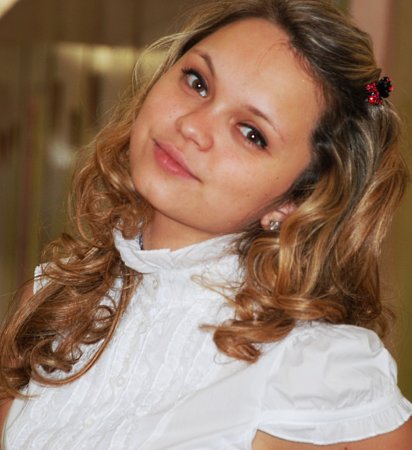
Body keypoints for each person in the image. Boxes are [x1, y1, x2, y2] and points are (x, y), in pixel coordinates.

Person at [0, 0, 411, 448]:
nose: (193, 126)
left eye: (251, 133)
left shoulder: (321, 371)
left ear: (296, 200)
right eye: (197, 82)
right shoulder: (56, 296)